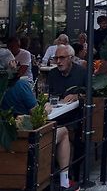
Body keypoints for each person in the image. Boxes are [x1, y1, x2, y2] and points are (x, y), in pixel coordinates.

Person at [0, 48, 79, 191]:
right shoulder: (20, 85)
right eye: (15, 62)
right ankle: (64, 181)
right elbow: (38, 116)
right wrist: (47, 108)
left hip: (5, 138)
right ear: (11, 63)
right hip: (27, 140)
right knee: (64, 132)